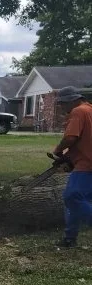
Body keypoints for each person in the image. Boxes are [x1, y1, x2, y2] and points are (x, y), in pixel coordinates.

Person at [51, 86, 92, 249]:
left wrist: (58, 151)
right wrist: (69, 158)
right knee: (79, 200)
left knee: (71, 197)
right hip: (84, 160)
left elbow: (70, 137)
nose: (62, 108)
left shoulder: (78, 111)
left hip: (87, 163)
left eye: (62, 104)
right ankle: (70, 237)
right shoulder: (89, 110)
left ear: (71, 100)